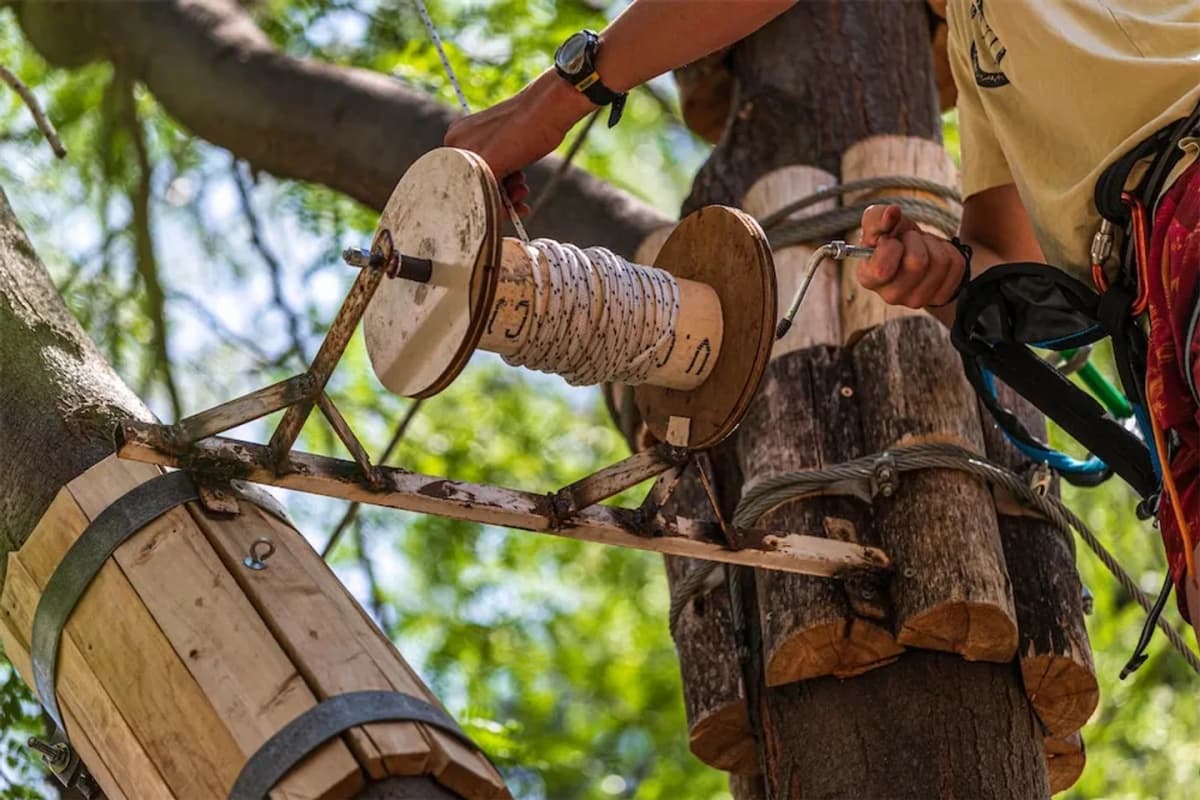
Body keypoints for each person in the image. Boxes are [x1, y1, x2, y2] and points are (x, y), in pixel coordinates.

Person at [447, 1, 1200, 636]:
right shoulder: (981, 47)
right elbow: (1007, 260)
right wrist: (946, 273)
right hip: (1161, 319)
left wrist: (550, 100)